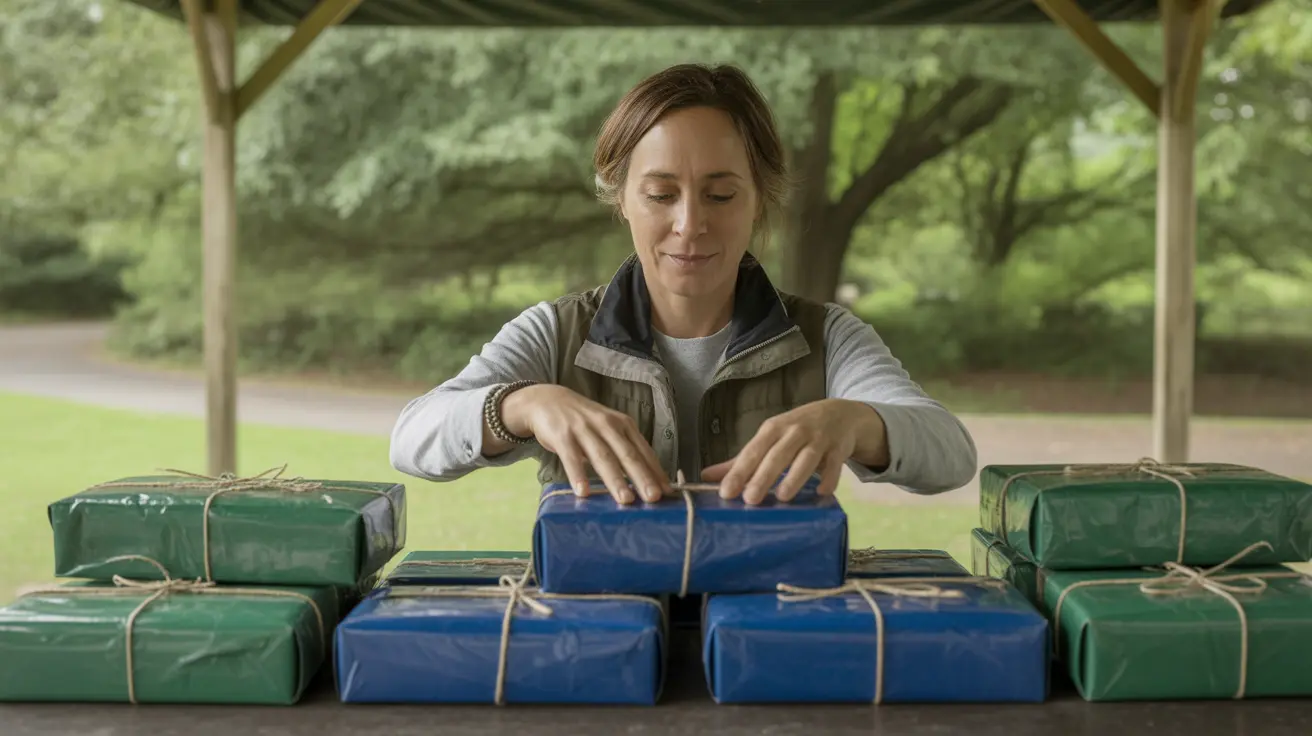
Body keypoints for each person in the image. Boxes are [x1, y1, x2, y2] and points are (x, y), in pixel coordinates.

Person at [390, 63, 977, 506]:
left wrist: (854, 421)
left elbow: (951, 453)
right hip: (595, 640)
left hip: (771, 637)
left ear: (759, 200)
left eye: (721, 195)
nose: (690, 224)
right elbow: (412, 438)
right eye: (660, 194)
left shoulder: (827, 337)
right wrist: (520, 405)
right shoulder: (555, 333)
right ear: (620, 199)